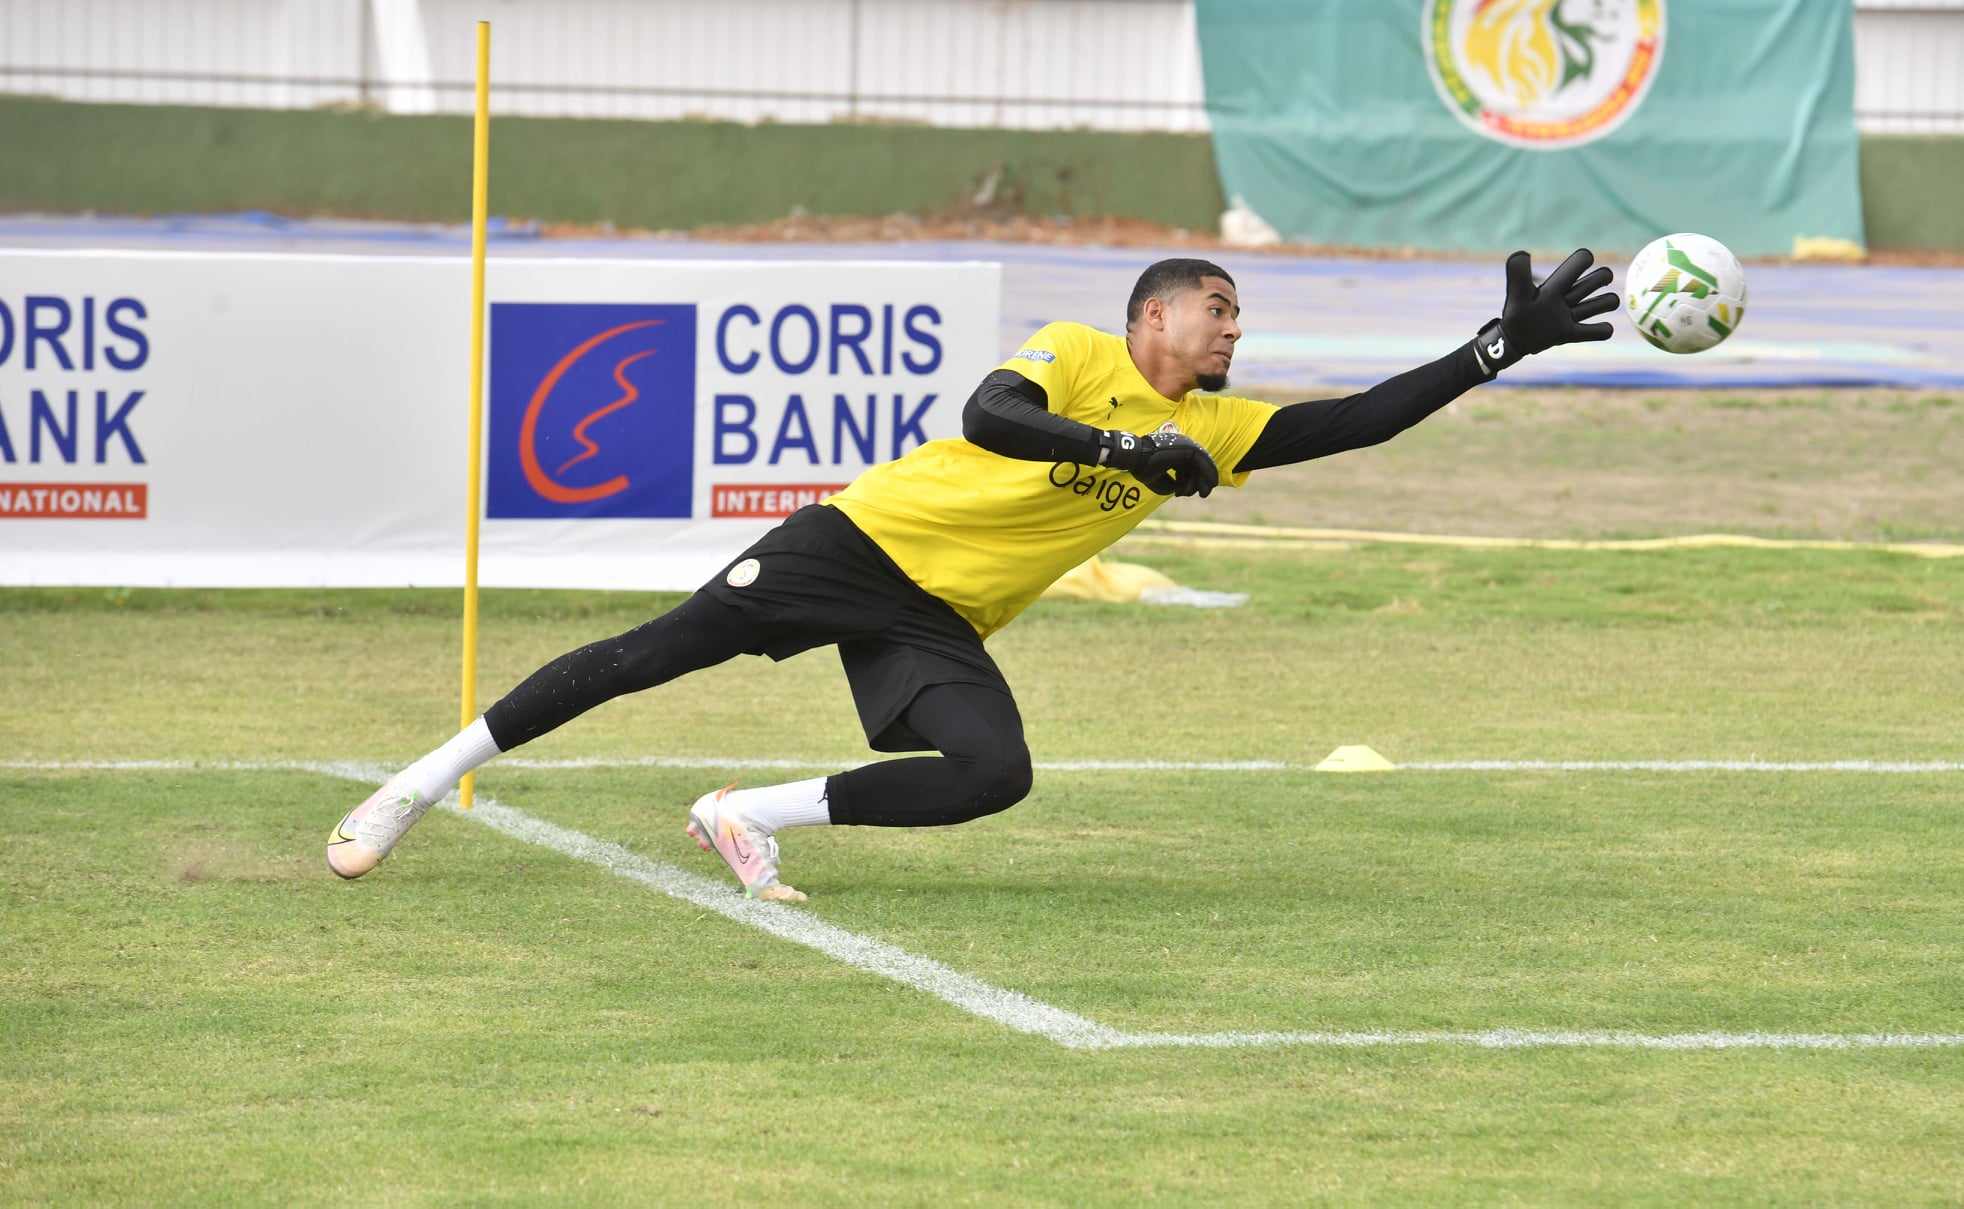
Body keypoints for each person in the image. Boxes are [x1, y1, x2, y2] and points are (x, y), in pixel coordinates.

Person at [328, 250, 1617, 899]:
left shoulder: (1218, 429)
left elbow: (1361, 421)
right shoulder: (1077, 352)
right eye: (1217, 308)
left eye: (1239, 315)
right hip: (857, 542)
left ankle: (747, 814)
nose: (1235, 327)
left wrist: (1497, 347)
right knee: (645, 658)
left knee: (995, 773)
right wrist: (1126, 449)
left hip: (940, 613)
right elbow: (993, 417)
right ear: (1153, 317)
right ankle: (413, 786)